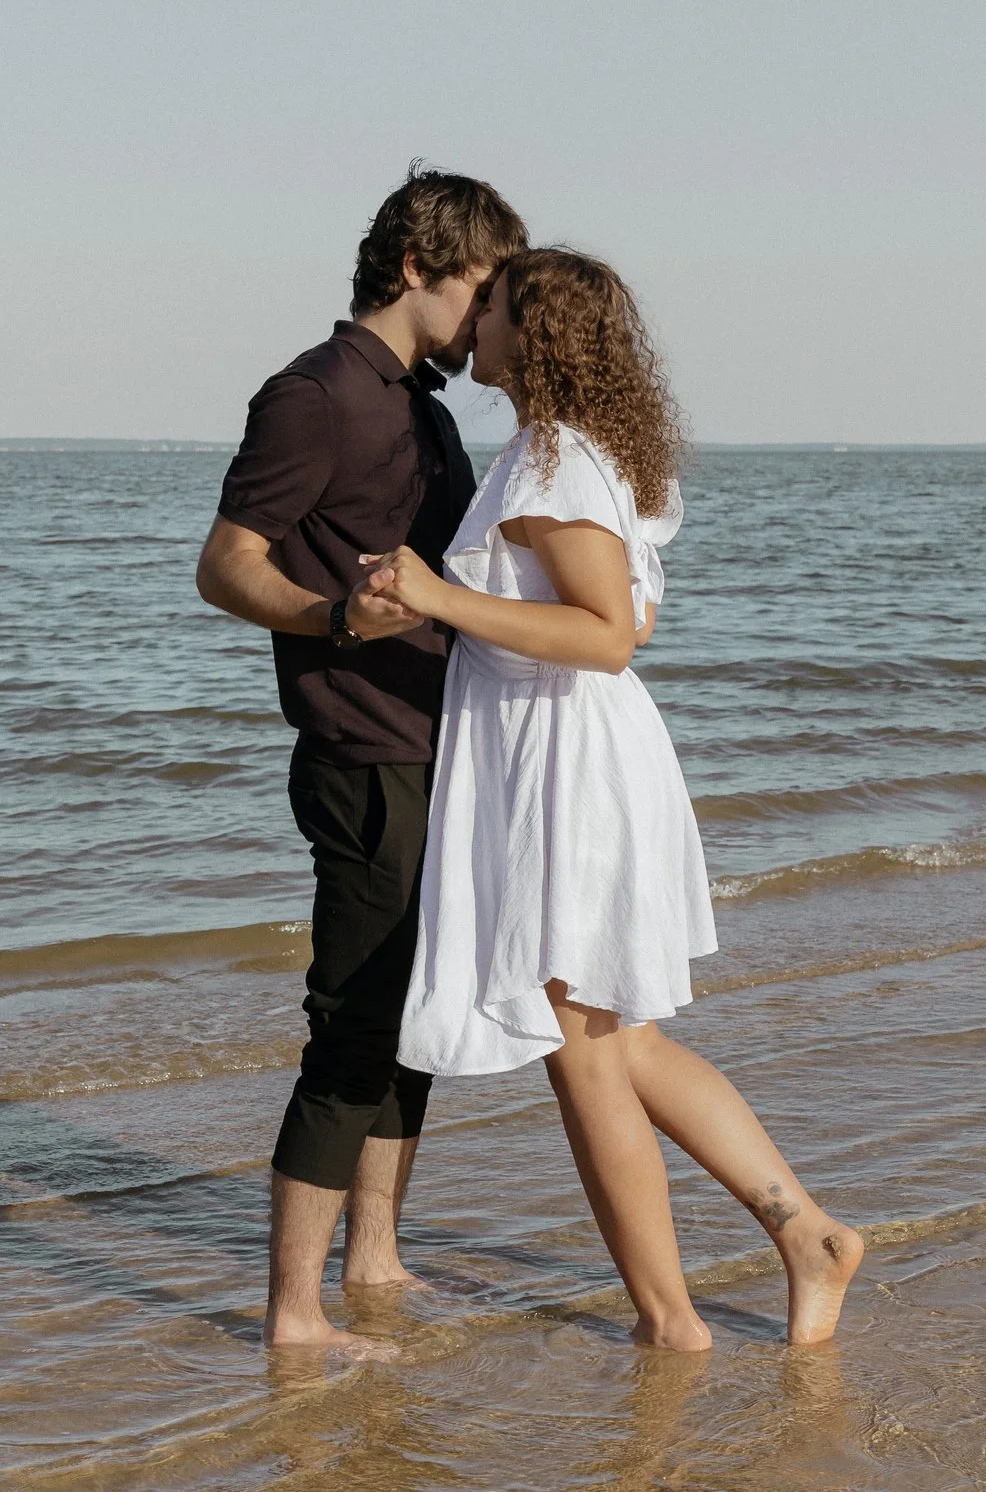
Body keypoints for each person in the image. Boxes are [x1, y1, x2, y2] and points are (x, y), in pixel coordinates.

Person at [362, 248, 863, 1350]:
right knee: (614, 1039)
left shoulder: (551, 460)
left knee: (584, 1048)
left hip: (564, 761)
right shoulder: (579, 452)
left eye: (489, 305)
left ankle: (670, 1321)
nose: (472, 320)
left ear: (528, 332)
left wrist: (440, 595)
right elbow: (625, 622)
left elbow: (602, 637)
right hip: (563, 750)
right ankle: (805, 1235)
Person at [195, 167, 528, 1353]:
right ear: (415, 266)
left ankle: (374, 1256)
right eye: (485, 285)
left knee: (412, 1010)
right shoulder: (314, 393)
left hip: (439, 743)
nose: (497, 311)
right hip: (361, 750)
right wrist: (336, 622)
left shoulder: (425, 409)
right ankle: (292, 1312)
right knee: (351, 1022)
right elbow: (224, 564)